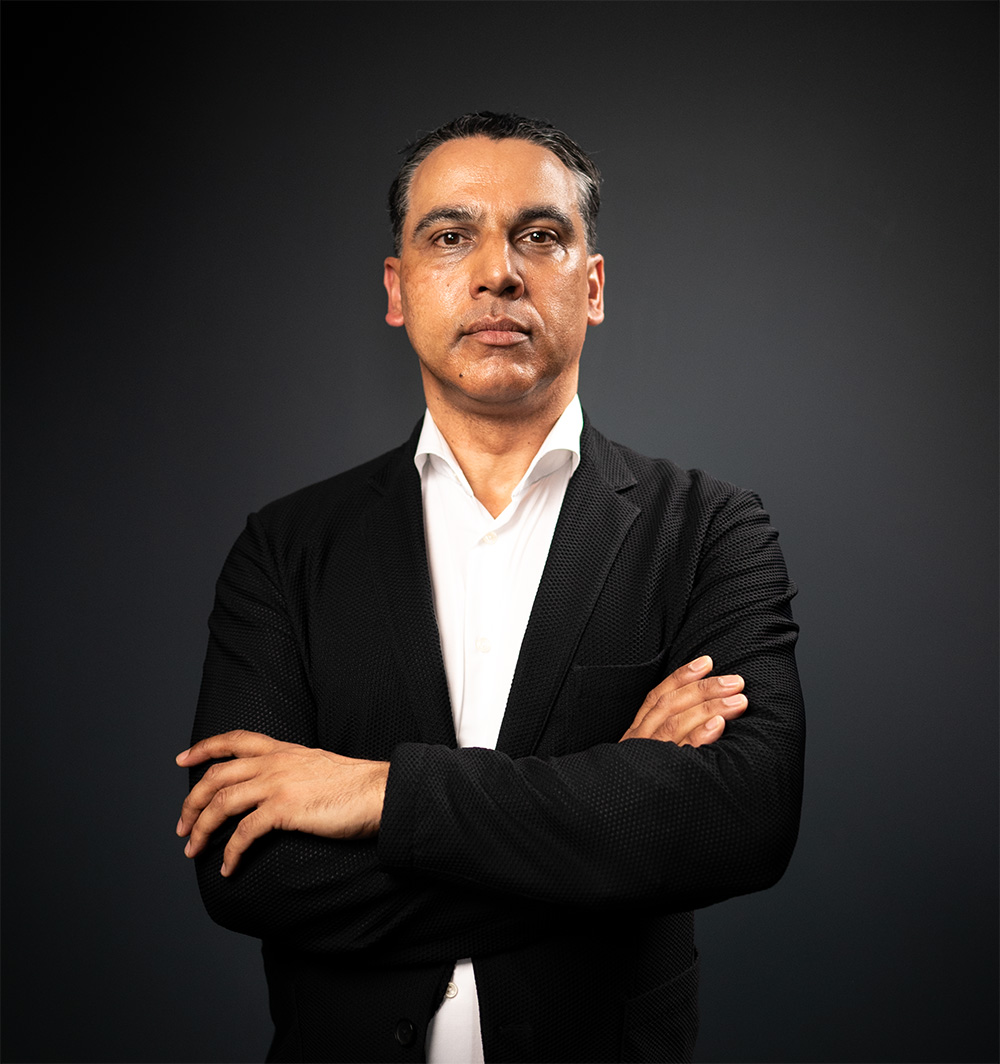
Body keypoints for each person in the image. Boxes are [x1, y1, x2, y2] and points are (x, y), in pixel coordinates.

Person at [176, 112, 804, 1064]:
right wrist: (614, 816)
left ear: (592, 287)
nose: (497, 272)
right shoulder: (285, 550)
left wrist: (383, 794)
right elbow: (250, 870)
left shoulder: (710, 530)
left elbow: (743, 820)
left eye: (539, 235)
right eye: (450, 236)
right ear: (398, 289)